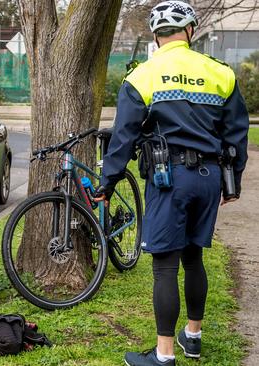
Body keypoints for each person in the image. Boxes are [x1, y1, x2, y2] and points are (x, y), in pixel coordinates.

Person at [93, 2, 249, 365]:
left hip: (169, 179)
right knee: (194, 259)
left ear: (155, 34)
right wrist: (233, 183)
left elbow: (123, 138)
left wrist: (107, 182)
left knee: (165, 267)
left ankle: (163, 356)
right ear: (191, 31)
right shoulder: (220, 73)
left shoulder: (142, 76)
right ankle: (192, 337)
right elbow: (237, 134)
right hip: (210, 179)